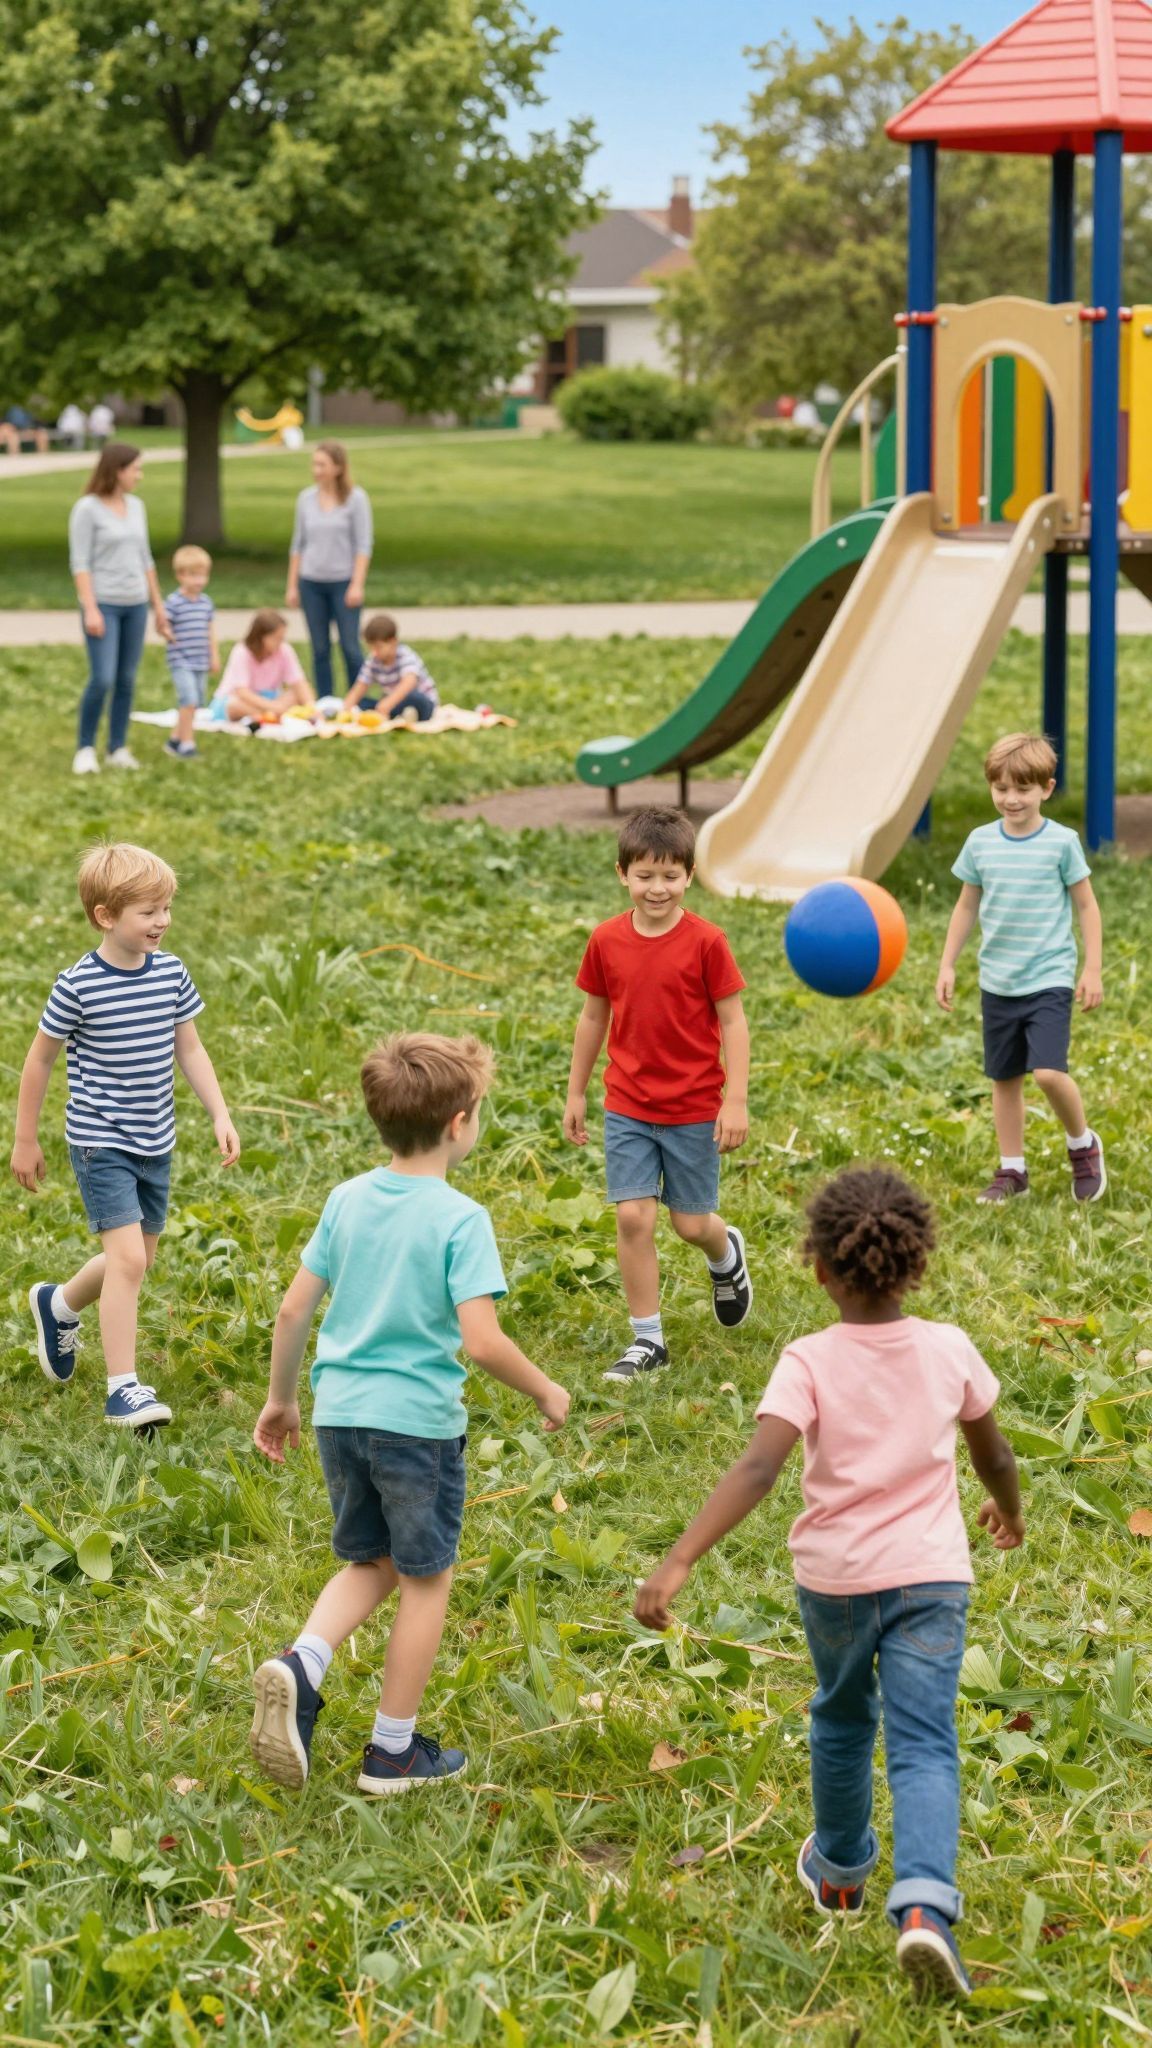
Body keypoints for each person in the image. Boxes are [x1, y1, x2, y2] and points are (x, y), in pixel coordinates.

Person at [634, 1167, 1024, 2002]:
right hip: (932, 1578)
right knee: (925, 1743)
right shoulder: (949, 1348)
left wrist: (681, 1558)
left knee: (843, 1720)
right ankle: (924, 1909)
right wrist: (1009, 1508)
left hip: (838, 1583)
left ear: (818, 1268)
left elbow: (758, 1467)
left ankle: (842, 1872)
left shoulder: (807, 1360)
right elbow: (993, 1452)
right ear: (918, 1266)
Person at [249, 1032, 569, 1795]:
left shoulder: (346, 1200)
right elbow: (482, 1341)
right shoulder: (461, 1219)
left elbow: (293, 1311)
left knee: (374, 1561)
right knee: (426, 1579)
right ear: (459, 1123)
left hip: (339, 1417)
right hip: (416, 1429)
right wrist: (545, 1389)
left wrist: (282, 1400)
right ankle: (393, 1752)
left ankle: (302, 1663)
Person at [10, 843, 241, 1433]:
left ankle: (59, 1304)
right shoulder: (78, 986)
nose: (162, 921)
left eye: (166, 908)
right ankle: (123, 1390)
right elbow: (39, 1061)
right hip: (100, 1140)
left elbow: (190, 1047)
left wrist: (219, 1112)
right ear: (105, 916)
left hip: (154, 1139)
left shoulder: (171, 972)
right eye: (148, 911)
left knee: (137, 1259)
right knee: (129, 1259)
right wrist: (25, 1139)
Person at [563, 806, 751, 1383]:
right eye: (645, 875)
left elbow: (734, 1022)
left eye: (670, 875)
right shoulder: (606, 940)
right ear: (623, 874)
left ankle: (725, 1253)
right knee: (633, 1217)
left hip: (693, 1107)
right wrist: (576, 1093)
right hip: (628, 1105)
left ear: (689, 875)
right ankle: (648, 1340)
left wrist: (735, 1100)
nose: (657, 888)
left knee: (691, 1225)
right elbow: (593, 1017)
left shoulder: (707, 942)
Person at [935, 732, 1105, 1204]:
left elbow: (1087, 906)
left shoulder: (1062, 843)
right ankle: (1013, 1170)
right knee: (1004, 1078)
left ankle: (1083, 1145)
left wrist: (1092, 969)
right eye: (1001, 788)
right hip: (998, 981)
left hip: (1048, 977)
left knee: (1047, 1073)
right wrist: (947, 964)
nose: (1011, 799)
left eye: (1023, 789)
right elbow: (966, 906)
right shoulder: (980, 843)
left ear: (1046, 789)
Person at [68, 441, 171, 775]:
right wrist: (91, 608)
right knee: (102, 678)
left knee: (126, 679)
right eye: (136, 469)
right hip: (104, 605)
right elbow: (80, 563)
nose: (140, 476)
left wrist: (158, 606)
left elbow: (146, 559)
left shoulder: (137, 506)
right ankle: (85, 749)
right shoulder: (87, 509)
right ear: (117, 470)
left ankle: (117, 748)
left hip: (135, 604)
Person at [286, 440, 373, 697]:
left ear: (338, 467)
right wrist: (292, 586)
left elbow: (363, 545)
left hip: (343, 583)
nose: (316, 470)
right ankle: (325, 701)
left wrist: (357, 584)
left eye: (322, 465)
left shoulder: (356, 499)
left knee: (350, 646)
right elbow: (298, 545)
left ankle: (357, 701)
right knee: (320, 649)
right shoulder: (305, 499)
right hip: (311, 583)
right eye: (314, 464)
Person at [162, 545, 219, 760]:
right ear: (180, 575)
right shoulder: (174, 602)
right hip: (181, 660)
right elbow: (163, 624)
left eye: (203, 575)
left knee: (194, 704)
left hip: (200, 661)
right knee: (189, 700)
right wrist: (167, 632)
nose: (200, 581)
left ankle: (174, 740)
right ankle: (187, 744)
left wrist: (214, 656)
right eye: (194, 575)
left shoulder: (206, 603)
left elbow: (210, 631)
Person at [211, 610, 315, 724]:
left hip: (270, 698)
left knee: (298, 694)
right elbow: (242, 692)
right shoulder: (242, 652)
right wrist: (273, 707)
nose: (280, 642)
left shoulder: (284, 650)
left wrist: (311, 707)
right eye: (276, 638)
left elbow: (299, 682)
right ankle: (271, 715)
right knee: (234, 705)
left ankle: (269, 715)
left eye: (282, 638)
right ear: (261, 637)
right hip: (240, 699)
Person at [342, 613, 440, 723]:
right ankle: (403, 716)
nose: (375, 652)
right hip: (394, 704)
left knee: (414, 697)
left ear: (393, 642)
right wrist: (346, 708)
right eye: (371, 647)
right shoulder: (373, 661)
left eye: (379, 647)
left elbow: (409, 682)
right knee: (362, 703)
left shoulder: (405, 655)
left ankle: (407, 714)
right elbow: (360, 686)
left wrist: (388, 703)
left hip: (421, 702)